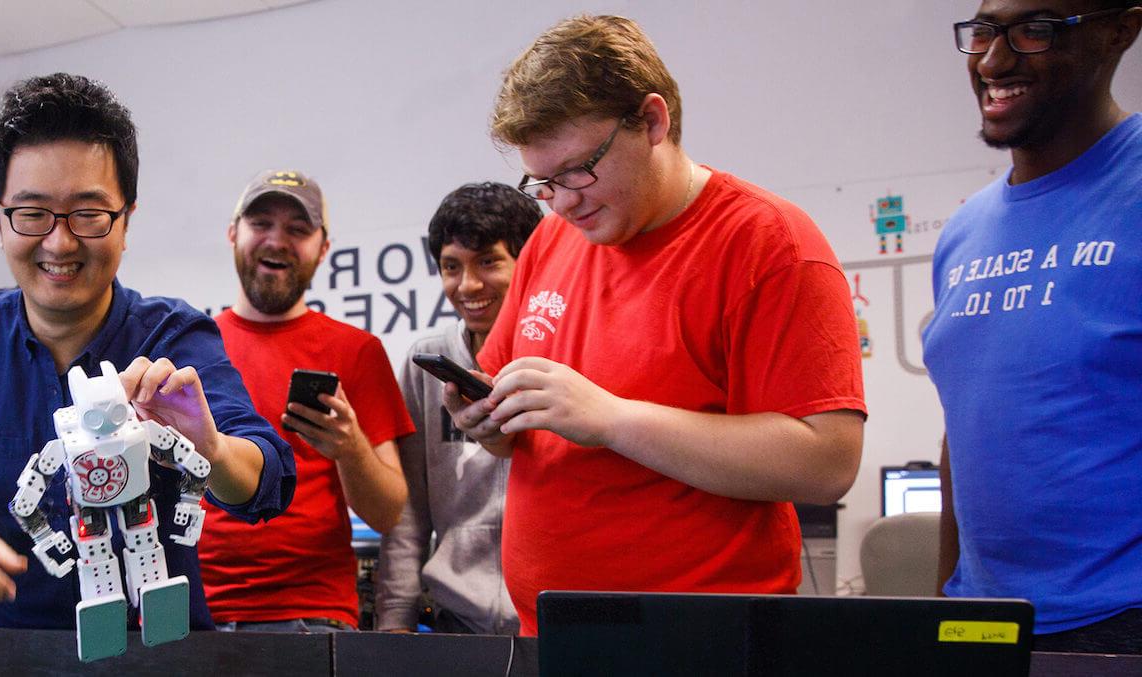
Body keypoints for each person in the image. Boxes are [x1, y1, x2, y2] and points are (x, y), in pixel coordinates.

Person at [444, 15, 867, 635]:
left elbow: (826, 464)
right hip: (551, 631)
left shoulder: (769, 244)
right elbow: (522, 429)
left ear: (652, 121)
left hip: (702, 636)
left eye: (578, 171)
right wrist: (486, 421)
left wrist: (613, 419)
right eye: (543, 182)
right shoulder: (553, 241)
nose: (562, 202)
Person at [0, 73, 296, 630]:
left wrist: (213, 450)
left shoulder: (173, 337)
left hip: (161, 657)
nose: (60, 242)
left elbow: (268, 476)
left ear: (126, 220)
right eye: (32, 213)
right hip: (17, 656)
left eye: (88, 213)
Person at [925, 0, 1142, 653]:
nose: (992, 59)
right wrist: (941, 604)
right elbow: (961, 432)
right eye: (985, 30)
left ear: (1118, 32)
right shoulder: (963, 231)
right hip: (981, 623)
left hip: (1120, 622)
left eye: (1033, 30)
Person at [198, 169, 415, 632]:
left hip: (311, 615)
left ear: (323, 249)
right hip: (193, 615)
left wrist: (350, 446)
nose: (277, 241)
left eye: (297, 229)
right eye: (261, 224)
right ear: (233, 233)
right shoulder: (194, 346)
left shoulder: (357, 351)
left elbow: (388, 513)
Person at [375, 182, 541, 635]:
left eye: (488, 262)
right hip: (457, 623)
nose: (468, 285)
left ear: (529, 261)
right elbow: (408, 514)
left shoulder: (562, 356)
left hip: (555, 621)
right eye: (452, 267)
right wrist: (394, 623)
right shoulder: (426, 363)